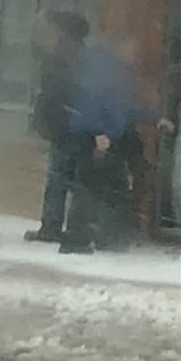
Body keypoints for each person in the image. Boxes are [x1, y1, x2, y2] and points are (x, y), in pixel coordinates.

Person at [58, 34, 147, 255]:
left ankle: (106, 237)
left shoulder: (118, 73)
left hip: (106, 137)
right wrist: (97, 132)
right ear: (122, 47)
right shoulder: (105, 71)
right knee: (89, 187)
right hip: (95, 137)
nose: (136, 57)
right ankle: (76, 240)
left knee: (111, 188)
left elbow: (123, 109)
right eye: (134, 51)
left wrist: (155, 119)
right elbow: (89, 103)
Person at [25, 11, 89, 245]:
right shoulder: (78, 55)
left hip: (65, 126)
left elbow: (52, 94)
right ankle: (74, 228)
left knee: (60, 178)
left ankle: (54, 227)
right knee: (73, 179)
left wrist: (43, 123)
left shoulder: (61, 57)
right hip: (73, 124)